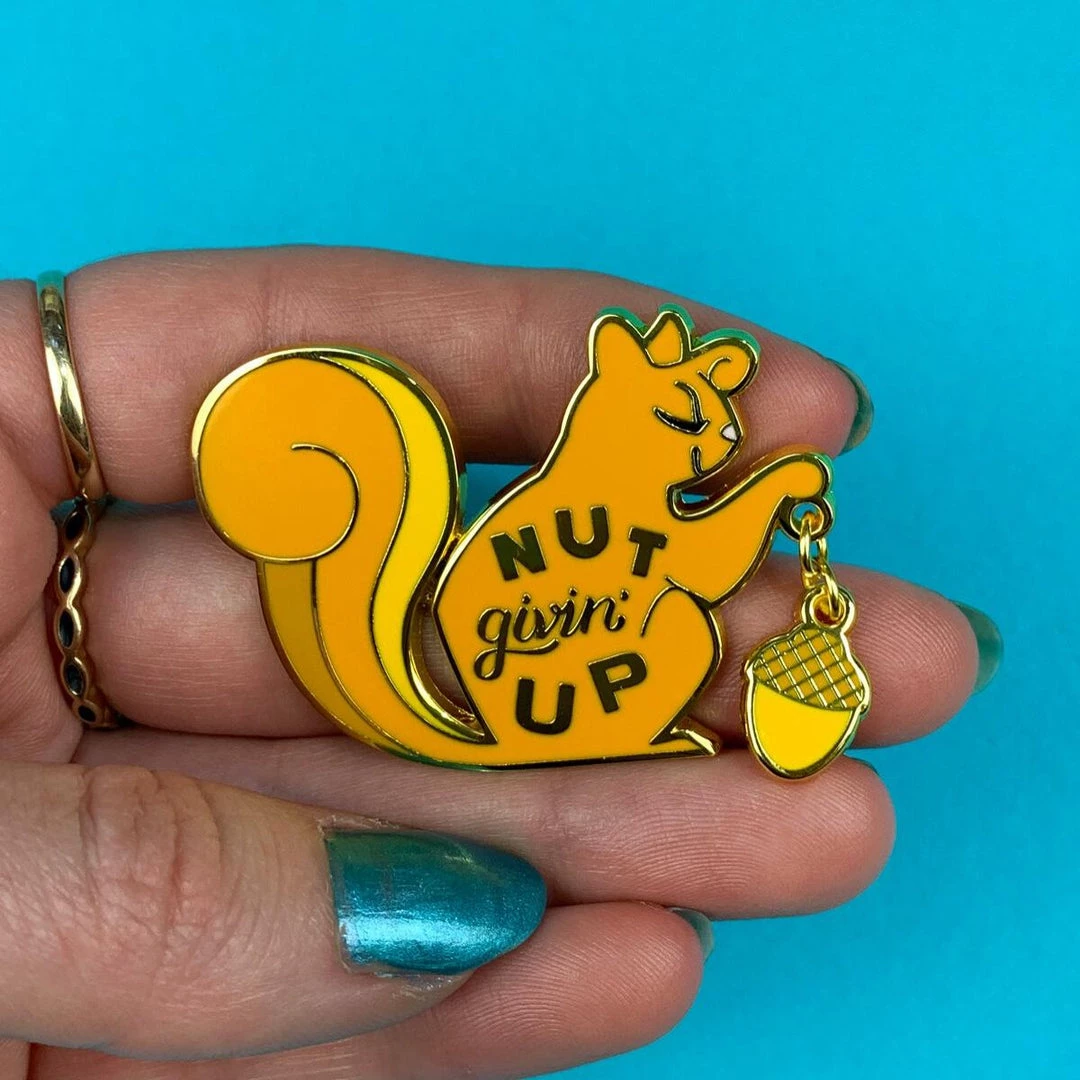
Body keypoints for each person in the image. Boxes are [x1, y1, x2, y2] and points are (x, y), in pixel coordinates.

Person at [0, 246, 999, 1079]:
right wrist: (773, 488)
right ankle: (612, 727)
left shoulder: (621, 487)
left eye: (715, 433)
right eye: (688, 427)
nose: (708, 448)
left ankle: (622, 726)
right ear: (625, 410)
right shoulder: (600, 493)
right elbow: (700, 559)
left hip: (566, 678)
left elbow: (690, 554)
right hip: (544, 689)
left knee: (694, 648)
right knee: (688, 643)